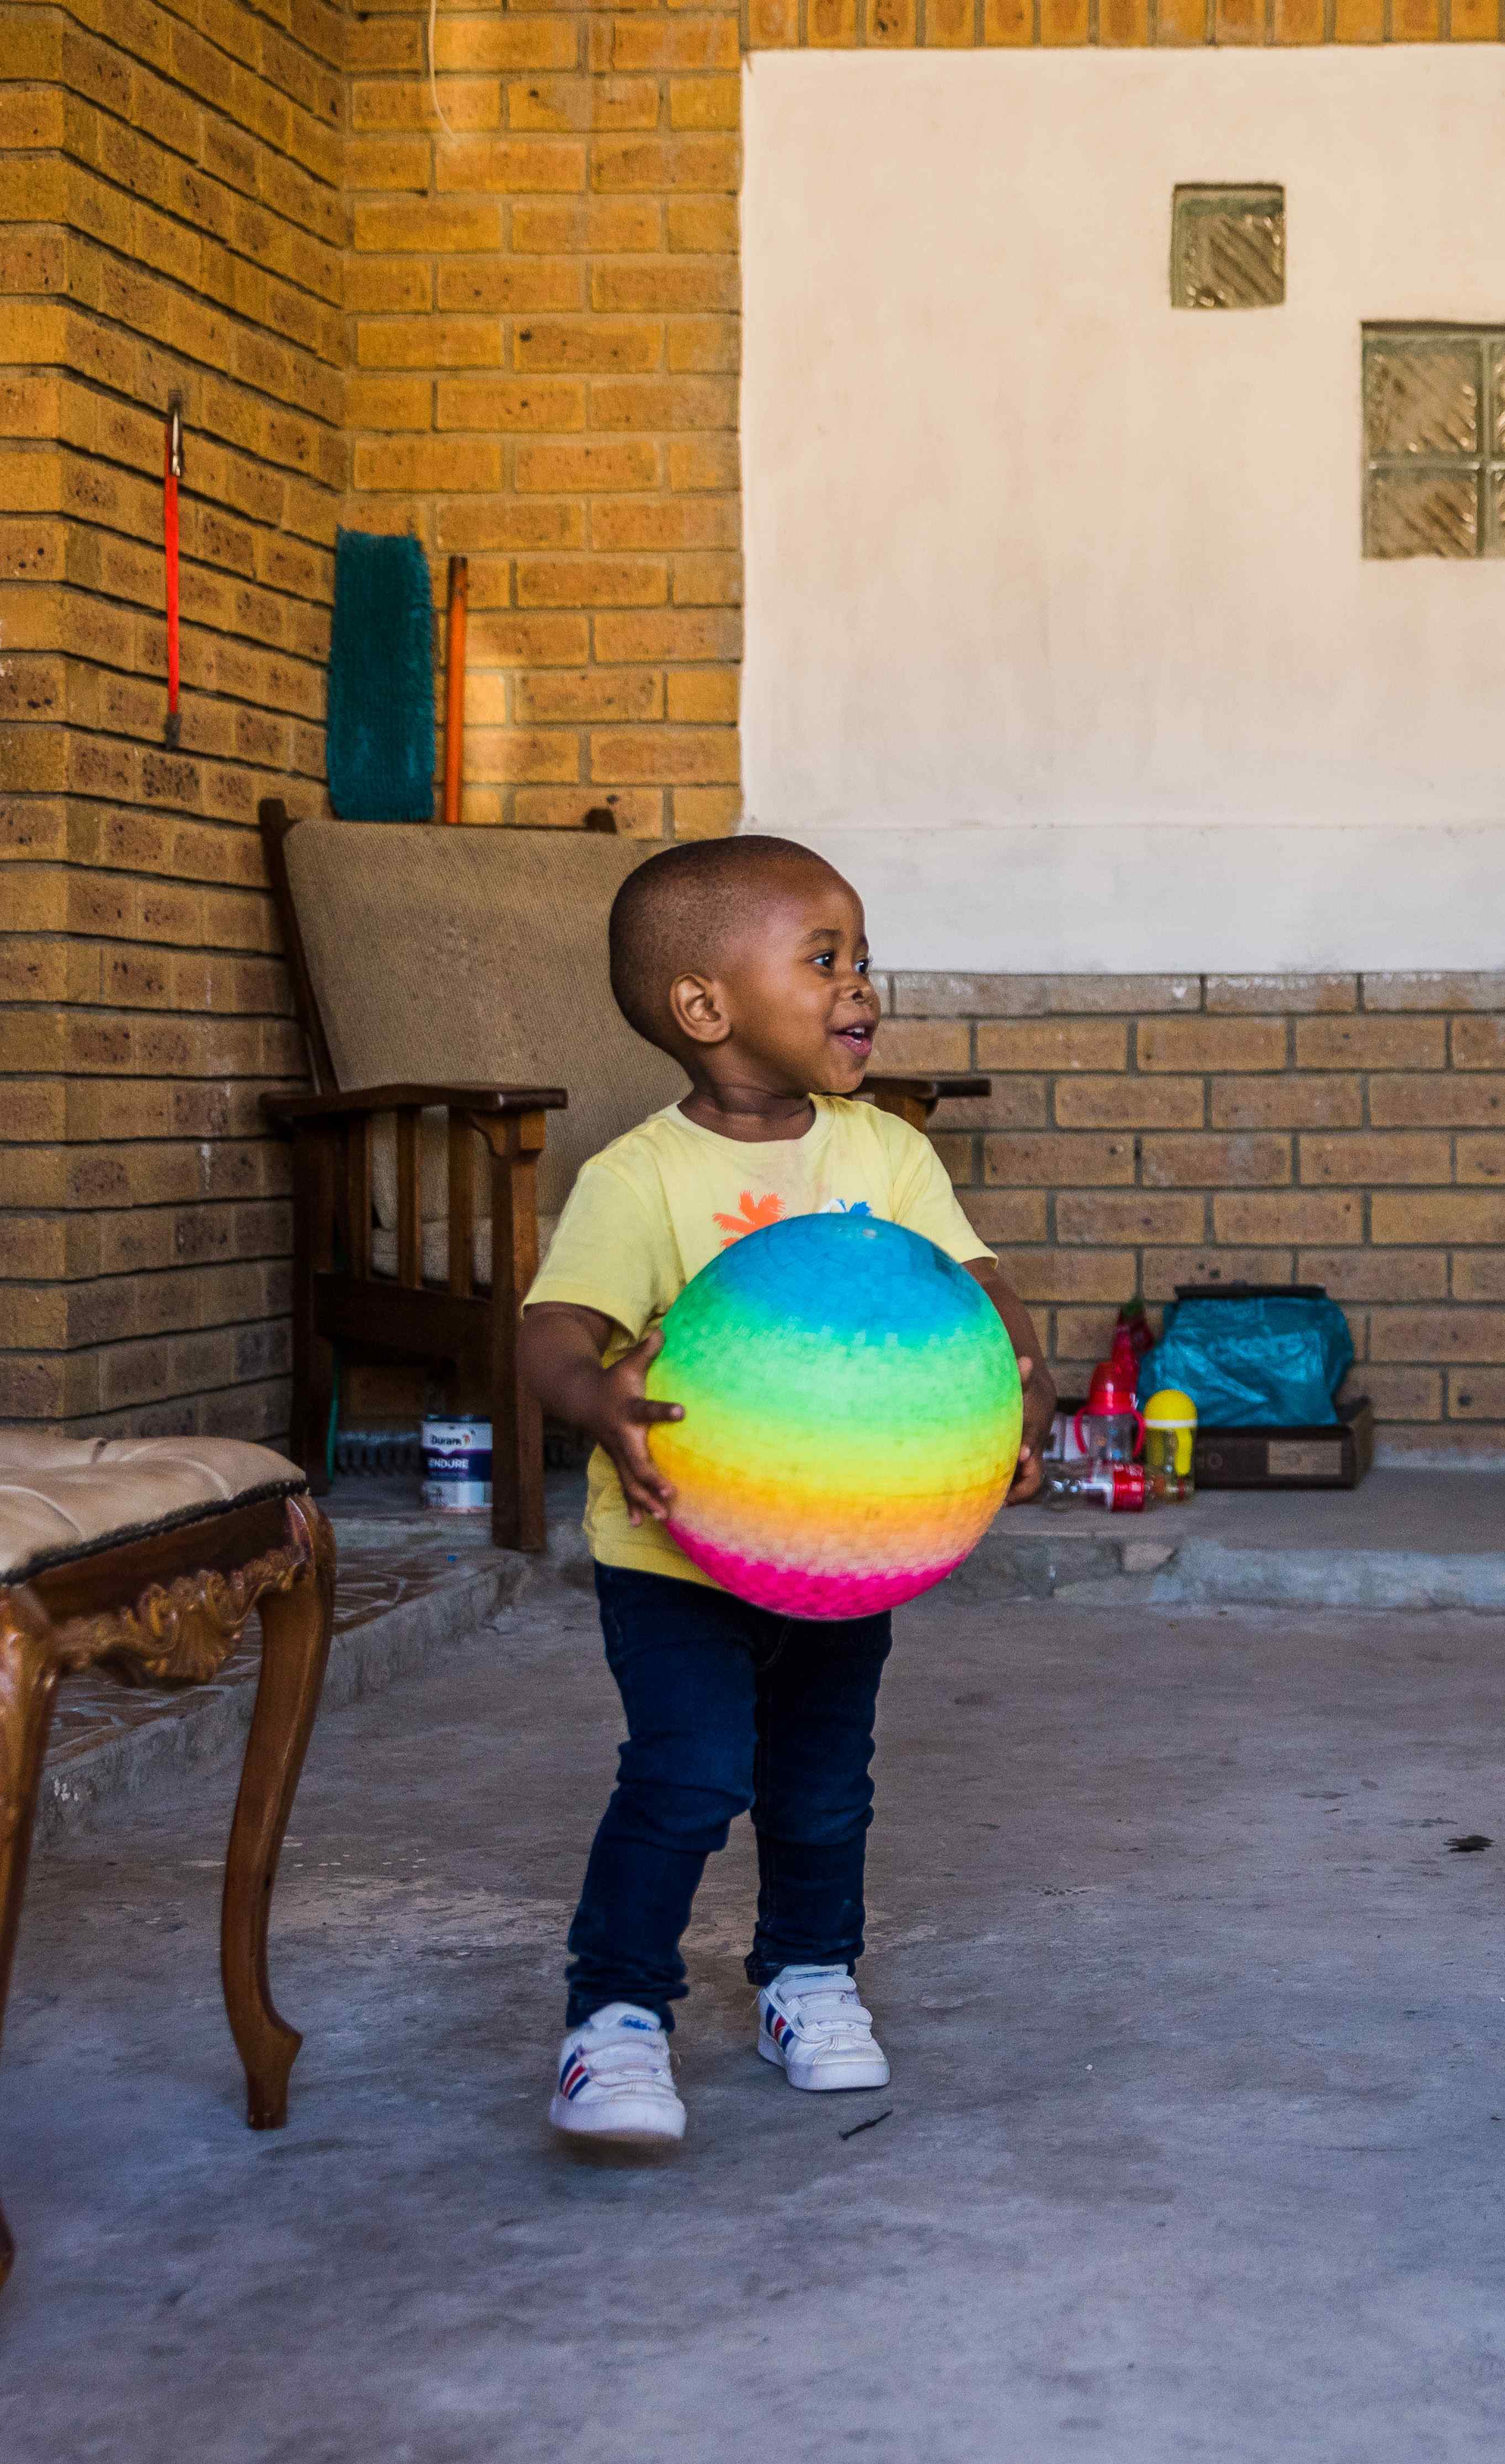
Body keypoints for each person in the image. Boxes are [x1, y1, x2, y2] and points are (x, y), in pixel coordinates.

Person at [517, 834, 1054, 2147]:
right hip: (674, 1564)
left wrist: (1012, 1403)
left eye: (864, 958)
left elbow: (980, 1298)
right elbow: (550, 1330)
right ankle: (616, 2019)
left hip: (842, 1554)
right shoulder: (639, 1177)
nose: (861, 985)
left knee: (825, 1785)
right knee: (689, 1778)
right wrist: (599, 1399)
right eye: (824, 960)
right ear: (706, 1006)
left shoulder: (888, 1159)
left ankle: (807, 1978)